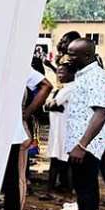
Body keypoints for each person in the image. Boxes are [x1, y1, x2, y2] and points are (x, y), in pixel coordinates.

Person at [58, 38, 105, 210]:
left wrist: (82, 145)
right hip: (80, 144)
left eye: (73, 54)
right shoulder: (83, 76)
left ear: (86, 56)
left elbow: (101, 114)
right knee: (82, 189)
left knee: (87, 190)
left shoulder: (96, 77)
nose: (68, 58)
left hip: (87, 146)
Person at [0, 66, 52, 210]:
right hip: (17, 129)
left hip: (8, 130)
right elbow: (46, 85)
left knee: (14, 178)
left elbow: (47, 85)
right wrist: (25, 114)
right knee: (17, 177)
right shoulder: (18, 64)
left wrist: (25, 114)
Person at [44, 62, 76, 197]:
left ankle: (64, 191)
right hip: (57, 130)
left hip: (64, 130)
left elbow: (51, 104)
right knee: (57, 159)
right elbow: (46, 106)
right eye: (58, 72)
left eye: (62, 72)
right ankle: (55, 189)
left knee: (63, 161)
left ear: (71, 74)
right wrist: (51, 105)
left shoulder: (70, 88)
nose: (59, 75)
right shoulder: (62, 89)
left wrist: (52, 105)